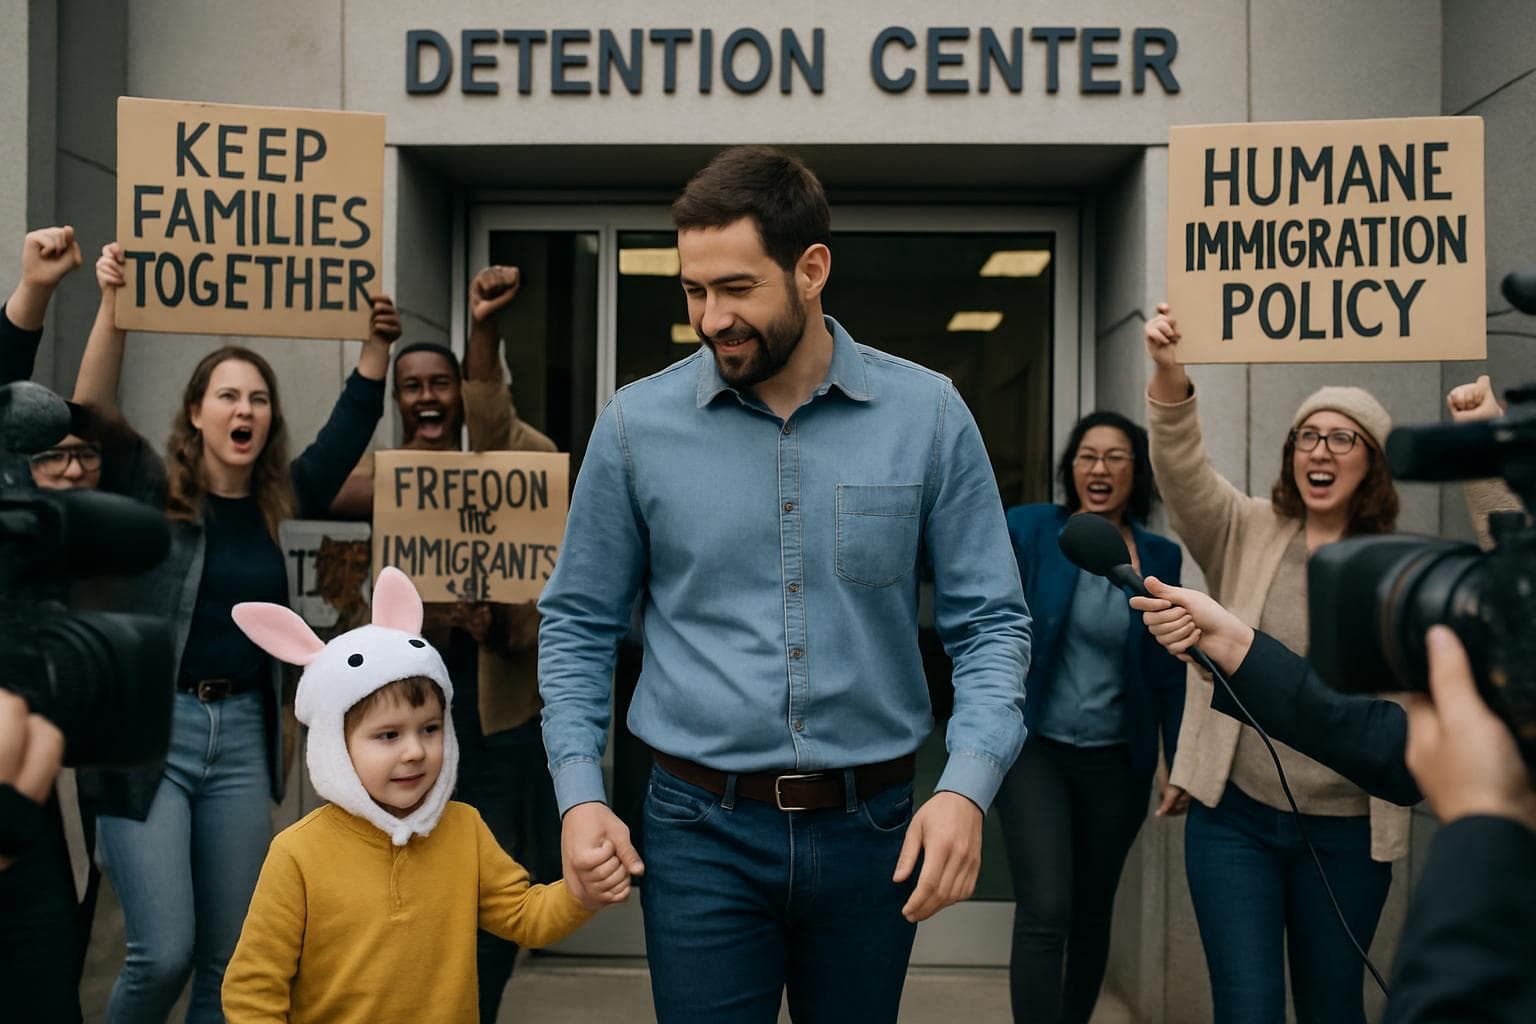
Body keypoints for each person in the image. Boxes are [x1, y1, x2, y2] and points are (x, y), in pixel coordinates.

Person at [538, 145, 1032, 1022]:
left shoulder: (928, 417)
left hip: (873, 828)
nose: (709, 318)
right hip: (697, 832)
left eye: (736, 288)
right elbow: (577, 622)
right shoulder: (635, 427)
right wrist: (580, 794)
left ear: (811, 270)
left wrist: (965, 785)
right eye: (693, 290)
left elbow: (991, 624)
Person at [84, 242, 399, 1024]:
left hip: (244, 739)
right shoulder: (150, 489)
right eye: (228, 396)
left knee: (233, 965)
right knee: (163, 953)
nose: (245, 411)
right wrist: (113, 306)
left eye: (259, 399)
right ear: (196, 412)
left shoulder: (280, 499)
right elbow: (88, 415)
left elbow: (346, 427)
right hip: (152, 734)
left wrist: (376, 347)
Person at [1144, 302, 1405, 1024]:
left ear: (1373, 460)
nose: (1320, 452)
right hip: (1237, 823)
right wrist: (1169, 375)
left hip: (1349, 833)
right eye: (1307, 437)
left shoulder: (1398, 566)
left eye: (1341, 439)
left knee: (1332, 1009)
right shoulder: (1249, 528)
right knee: (1248, 1008)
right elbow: (1184, 474)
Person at [1130, 579, 1536, 1023]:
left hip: (1348, 840)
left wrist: (1482, 817)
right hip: (1237, 817)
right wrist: (1232, 644)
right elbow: (1381, 743)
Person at [328, 263, 561, 1024]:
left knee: (497, 890)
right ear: (397, 401)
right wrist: (419, 619)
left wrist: (501, 623)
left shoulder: (511, 461)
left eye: (444, 382)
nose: (428, 396)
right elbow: (337, 607)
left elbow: (544, 602)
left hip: (492, 728)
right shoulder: (370, 484)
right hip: (402, 730)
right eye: (413, 386)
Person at [219, 567, 595, 1023]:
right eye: (388, 735)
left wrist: (582, 892)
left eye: (431, 729)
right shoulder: (297, 854)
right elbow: (253, 990)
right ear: (336, 744)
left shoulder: (465, 829)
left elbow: (524, 915)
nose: (415, 751)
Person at [992, 411, 1184, 1024]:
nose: (1099, 469)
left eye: (1116, 457)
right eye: (1087, 456)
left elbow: (1168, 669)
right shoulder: (1029, 530)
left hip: (1116, 762)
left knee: (1092, 909)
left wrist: (1175, 759)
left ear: (1138, 472)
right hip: (1036, 751)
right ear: (1070, 467)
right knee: (1047, 905)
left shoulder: (1159, 556)